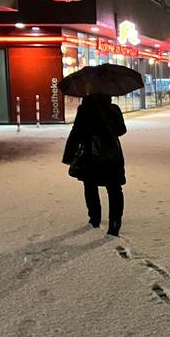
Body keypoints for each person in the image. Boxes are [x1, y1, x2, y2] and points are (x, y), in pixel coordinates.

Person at [62, 93, 127, 236]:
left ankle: (95, 218)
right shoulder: (113, 109)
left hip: (90, 155)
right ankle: (115, 223)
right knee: (114, 188)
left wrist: (69, 155)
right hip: (112, 154)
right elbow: (121, 130)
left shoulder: (84, 109)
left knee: (90, 186)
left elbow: (76, 133)